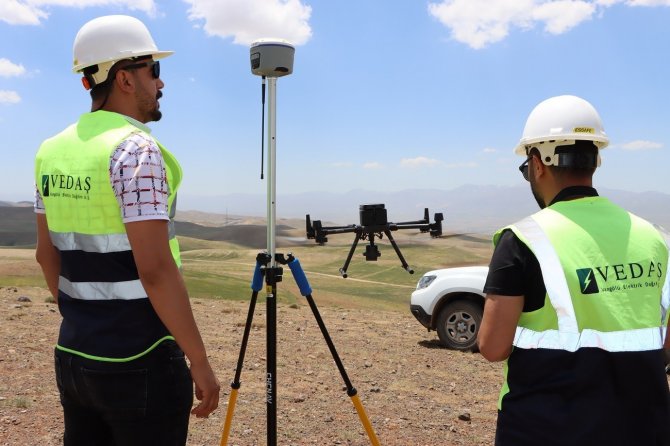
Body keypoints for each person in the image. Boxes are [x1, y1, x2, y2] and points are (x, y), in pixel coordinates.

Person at [34, 15, 220, 446]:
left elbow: (47, 256)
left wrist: (84, 319)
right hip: (141, 356)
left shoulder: (50, 151)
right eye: (154, 69)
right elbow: (155, 269)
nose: (162, 83)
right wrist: (200, 361)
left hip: (74, 353)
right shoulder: (135, 150)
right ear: (125, 79)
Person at [478, 95, 670, 446]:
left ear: (538, 163)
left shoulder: (523, 240)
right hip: (645, 427)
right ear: (595, 159)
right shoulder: (657, 238)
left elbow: (492, 347)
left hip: (545, 430)